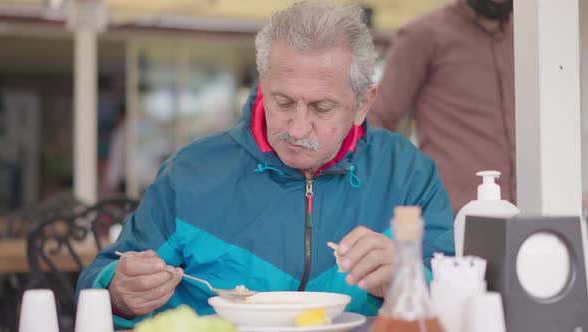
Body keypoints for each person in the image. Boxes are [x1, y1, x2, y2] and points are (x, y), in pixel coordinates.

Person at [77, 1, 454, 328]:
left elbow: (456, 294)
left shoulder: (408, 174)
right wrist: (118, 292)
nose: (298, 127)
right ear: (263, 84)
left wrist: (406, 277)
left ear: (363, 105)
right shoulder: (189, 173)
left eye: (322, 108)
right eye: (283, 102)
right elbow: (99, 283)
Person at [368, 0, 515, 214]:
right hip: (452, 219)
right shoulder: (423, 35)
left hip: (529, 219)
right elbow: (378, 118)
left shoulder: (530, 38)